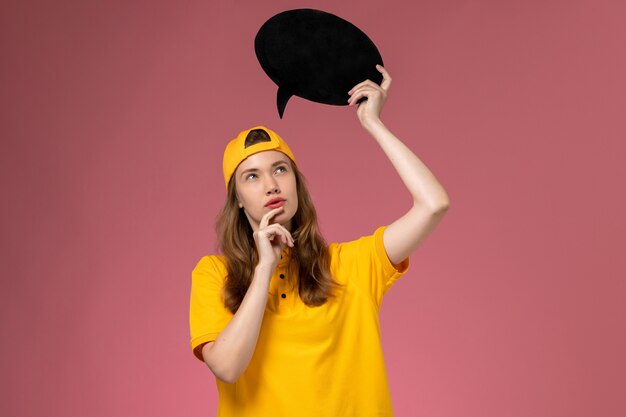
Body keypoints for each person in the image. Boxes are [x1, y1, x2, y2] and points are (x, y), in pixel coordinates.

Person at [189, 65, 450, 416]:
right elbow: (227, 367)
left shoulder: (351, 265)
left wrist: (373, 123)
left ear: (296, 183)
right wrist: (264, 267)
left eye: (280, 170)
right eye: (252, 176)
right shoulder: (213, 274)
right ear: (236, 197)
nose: (271, 185)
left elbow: (434, 204)